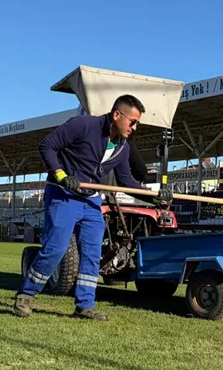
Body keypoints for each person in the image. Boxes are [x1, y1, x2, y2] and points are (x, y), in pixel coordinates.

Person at [13, 94, 172, 320]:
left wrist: (155, 198)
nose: (135, 127)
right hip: (63, 195)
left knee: (92, 253)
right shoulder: (83, 125)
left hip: (91, 201)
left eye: (137, 123)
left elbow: (126, 182)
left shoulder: (123, 148)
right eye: (133, 122)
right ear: (117, 114)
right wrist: (61, 175)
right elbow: (47, 146)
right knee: (56, 249)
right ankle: (26, 295)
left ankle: (85, 305)